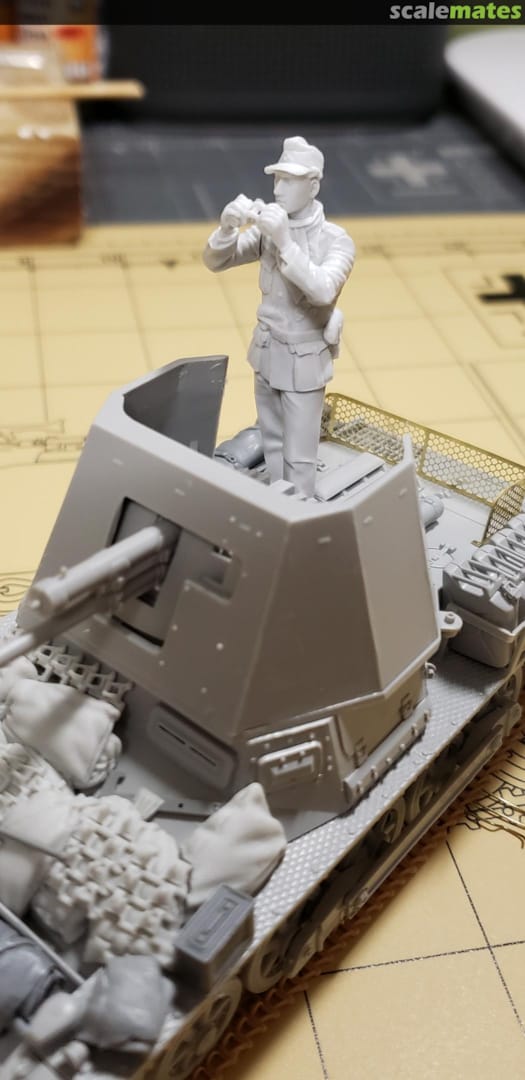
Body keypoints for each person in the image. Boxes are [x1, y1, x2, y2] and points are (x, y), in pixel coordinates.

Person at [203, 136, 355, 497]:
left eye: (289, 180)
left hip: (304, 358)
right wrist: (226, 229)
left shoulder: (335, 240)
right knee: (271, 438)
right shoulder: (268, 231)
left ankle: (299, 506)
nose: (278, 189)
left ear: (313, 185)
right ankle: (277, 499)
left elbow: (323, 290)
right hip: (268, 349)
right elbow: (216, 261)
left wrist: (286, 242)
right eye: (277, 179)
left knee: (299, 452)